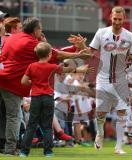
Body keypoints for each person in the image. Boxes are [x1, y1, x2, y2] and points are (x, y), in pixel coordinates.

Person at [0, 17, 92, 156]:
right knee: (15, 117)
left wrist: (76, 50)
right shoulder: (31, 44)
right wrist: (78, 54)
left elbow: (53, 53)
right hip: (13, 84)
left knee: (9, 117)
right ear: (36, 30)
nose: (41, 33)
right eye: (41, 30)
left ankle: (9, 146)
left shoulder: (12, 38)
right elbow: (57, 55)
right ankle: (10, 149)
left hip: (4, 78)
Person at [73, 6, 132, 154]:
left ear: (124, 19)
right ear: (111, 18)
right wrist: (82, 46)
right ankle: (99, 134)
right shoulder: (101, 33)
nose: (117, 22)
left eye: (120, 19)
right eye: (115, 19)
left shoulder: (129, 36)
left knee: (122, 112)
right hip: (102, 79)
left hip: (121, 79)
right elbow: (89, 54)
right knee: (100, 113)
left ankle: (118, 146)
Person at [19, 42, 91, 157]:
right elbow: (68, 70)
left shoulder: (31, 66)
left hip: (36, 98)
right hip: (48, 97)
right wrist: (80, 68)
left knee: (31, 125)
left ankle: (24, 152)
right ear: (49, 55)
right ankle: (48, 152)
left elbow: (23, 81)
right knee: (48, 126)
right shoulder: (52, 67)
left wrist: (33, 83)